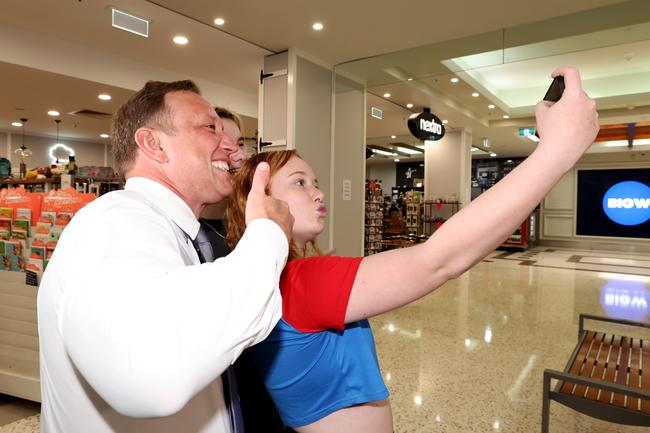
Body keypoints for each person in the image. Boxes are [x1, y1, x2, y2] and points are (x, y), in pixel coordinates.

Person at [224, 67, 599, 433]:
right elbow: (438, 260)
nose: (318, 192)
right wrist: (558, 150)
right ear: (259, 200)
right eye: (300, 182)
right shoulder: (300, 280)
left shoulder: (279, 277)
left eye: (316, 181)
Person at [37, 80, 293, 433]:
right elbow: (149, 374)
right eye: (210, 128)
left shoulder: (169, 230)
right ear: (153, 144)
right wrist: (269, 233)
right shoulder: (117, 220)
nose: (232, 147)